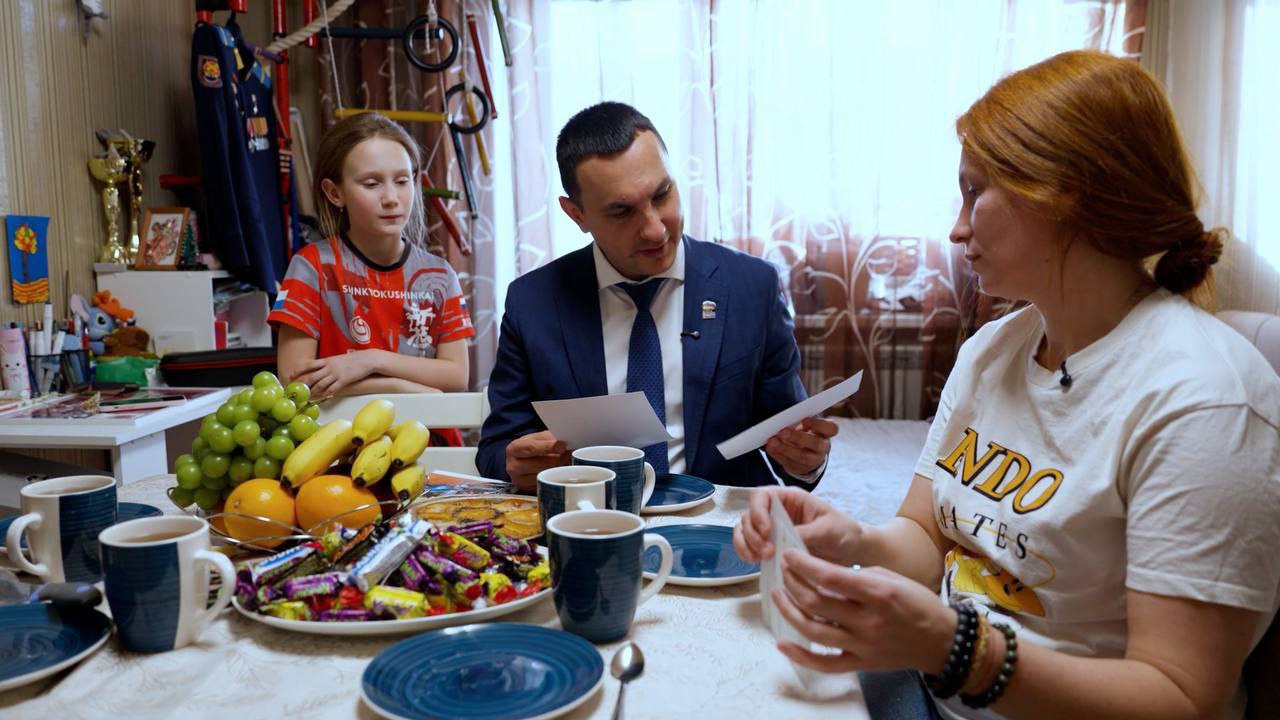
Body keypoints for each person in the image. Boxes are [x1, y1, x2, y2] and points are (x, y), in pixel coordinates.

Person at [734, 50, 1280, 720]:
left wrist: (957, 650)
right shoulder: (993, 349)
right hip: (939, 693)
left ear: (1066, 195)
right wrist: (855, 541)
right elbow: (929, 537)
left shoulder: (1206, 402)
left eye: (974, 192)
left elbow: (1180, 697)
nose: (956, 228)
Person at [478, 102, 838, 492]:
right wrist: (516, 463)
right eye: (621, 211)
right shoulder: (532, 303)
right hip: (592, 515)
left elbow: (789, 436)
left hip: (721, 517)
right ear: (577, 214)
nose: (654, 230)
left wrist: (805, 460)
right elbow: (497, 449)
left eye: (662, 194)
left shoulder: (752, 286)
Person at [269, 112, 473, 409]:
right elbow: (294, 382)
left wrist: (371, 361)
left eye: (402, 181)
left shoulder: (439, 275)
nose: (391, 198)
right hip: (338, 433)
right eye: (372, 184)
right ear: (335, 193)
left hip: (431, 432)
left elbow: (457, 376)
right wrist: (394, 386)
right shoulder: (311, 266)